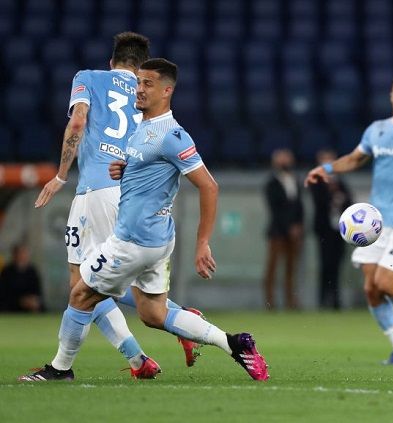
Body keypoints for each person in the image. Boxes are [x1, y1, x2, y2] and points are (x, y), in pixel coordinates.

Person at [19, 58, 268, 382]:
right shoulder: (142, 128)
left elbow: (209, 185)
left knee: (80, 294)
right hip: (156, 242)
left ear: (167, 91)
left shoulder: (171, 135)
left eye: (148, 84)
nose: (139, 89)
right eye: (139, 82)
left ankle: (60, 369)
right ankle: (235, 343)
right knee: (153, 314)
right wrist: (125, 171)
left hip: (133, 240)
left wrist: (203, 242)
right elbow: (151, 172)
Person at [32, 32, 203, 374]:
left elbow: (78, 121)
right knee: (99, 282)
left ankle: (65, 367)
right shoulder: (146, 96)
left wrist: (61, 175)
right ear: (142, 69)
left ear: (112, 62)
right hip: (128, 193)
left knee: (81, 283)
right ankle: (145, 353)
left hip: (95, 190)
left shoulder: (88, 78)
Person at [305, 72, 393, 364]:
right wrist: (326, 169)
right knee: (371, 289)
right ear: (391, 97)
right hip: (376, 222)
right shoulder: (377, 130)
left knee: (385, 282)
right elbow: (356, 159)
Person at [309, 149, 353, 310]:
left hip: (339, 231)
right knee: (325, 265)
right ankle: (322, 300)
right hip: (324, 230)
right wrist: (333, 198)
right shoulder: (317, 182)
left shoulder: (341, 182)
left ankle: (335, 301)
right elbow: (319, 202)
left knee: (337, 266)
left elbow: (349, 202)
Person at [263, 148, 305, 310]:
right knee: (272, 268)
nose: (285, 163)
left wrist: (299, 226)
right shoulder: (271, 183)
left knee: (291, 268)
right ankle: (270, 301)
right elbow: (276, 209)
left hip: (294, 233)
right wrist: (289, 226)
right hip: (277, 232)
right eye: (281, 160)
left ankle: (290, 301)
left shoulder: (295, 180)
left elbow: (299, 206)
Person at [0, 243, 44, 313]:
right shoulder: (7, 271)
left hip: (30, 306)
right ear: (14, 255)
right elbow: (4, 294)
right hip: (12, 306)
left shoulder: (32, 271)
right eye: (21, 253)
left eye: (25, 253)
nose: (23, 256)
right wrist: (21, 301)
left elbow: (38, 292)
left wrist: (32, 300)